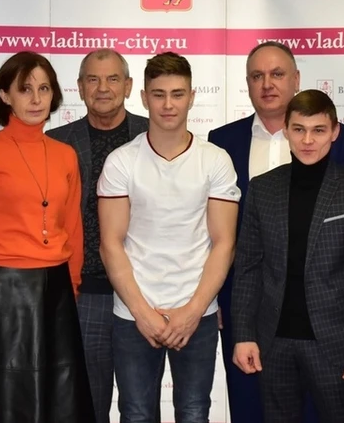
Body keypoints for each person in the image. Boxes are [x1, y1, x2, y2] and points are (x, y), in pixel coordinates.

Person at [207, 41, 344, 423]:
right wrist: (216, 295)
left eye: (277, 74)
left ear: (296, 79)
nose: (267, 84)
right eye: (257, 76)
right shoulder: (222, 141)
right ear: (247, 83)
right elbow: (213, 228)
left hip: (320, 310)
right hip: (246, 302)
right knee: (250, 407)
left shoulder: (335, 137)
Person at [0, 51, 95, 423]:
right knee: (3, 404)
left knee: (58, 404)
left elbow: (72, 229)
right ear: (5, 95)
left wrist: (72, 287)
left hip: (56, 292)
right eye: (25, 89)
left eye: (44, 89)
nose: (36, 99)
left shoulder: (65, 155)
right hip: (1, 295)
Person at [231, 89, 344, 423]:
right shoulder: (262, 189)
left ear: (334, 132)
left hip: (335, 344)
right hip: (273, 343)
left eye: (318, 130)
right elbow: (248, 268)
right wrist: (243, 334)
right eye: (299, 129)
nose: (307, 140)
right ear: (286, 130)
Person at [98, 52, 240, 423]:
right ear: (144, 98)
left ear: (191, 97)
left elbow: (224, 243)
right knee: (136, 414)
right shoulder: (121, 161)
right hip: (133, 314)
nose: (168, 104)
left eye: (177, 94)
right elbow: (110, 243)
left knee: (194, 413)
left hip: (197, 313)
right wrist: (142, 313)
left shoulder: (215, 160)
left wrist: (193, 312)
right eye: (158, 94)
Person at [47, 48, 150, 423]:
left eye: (112, 79)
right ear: (79, 87)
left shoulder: (155, 135)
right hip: (84, 294)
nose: (102, 88)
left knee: (141, 409)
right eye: (93, 79)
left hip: (146, 294)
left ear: (128, 86)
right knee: (87, 406)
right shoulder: (56, 142)